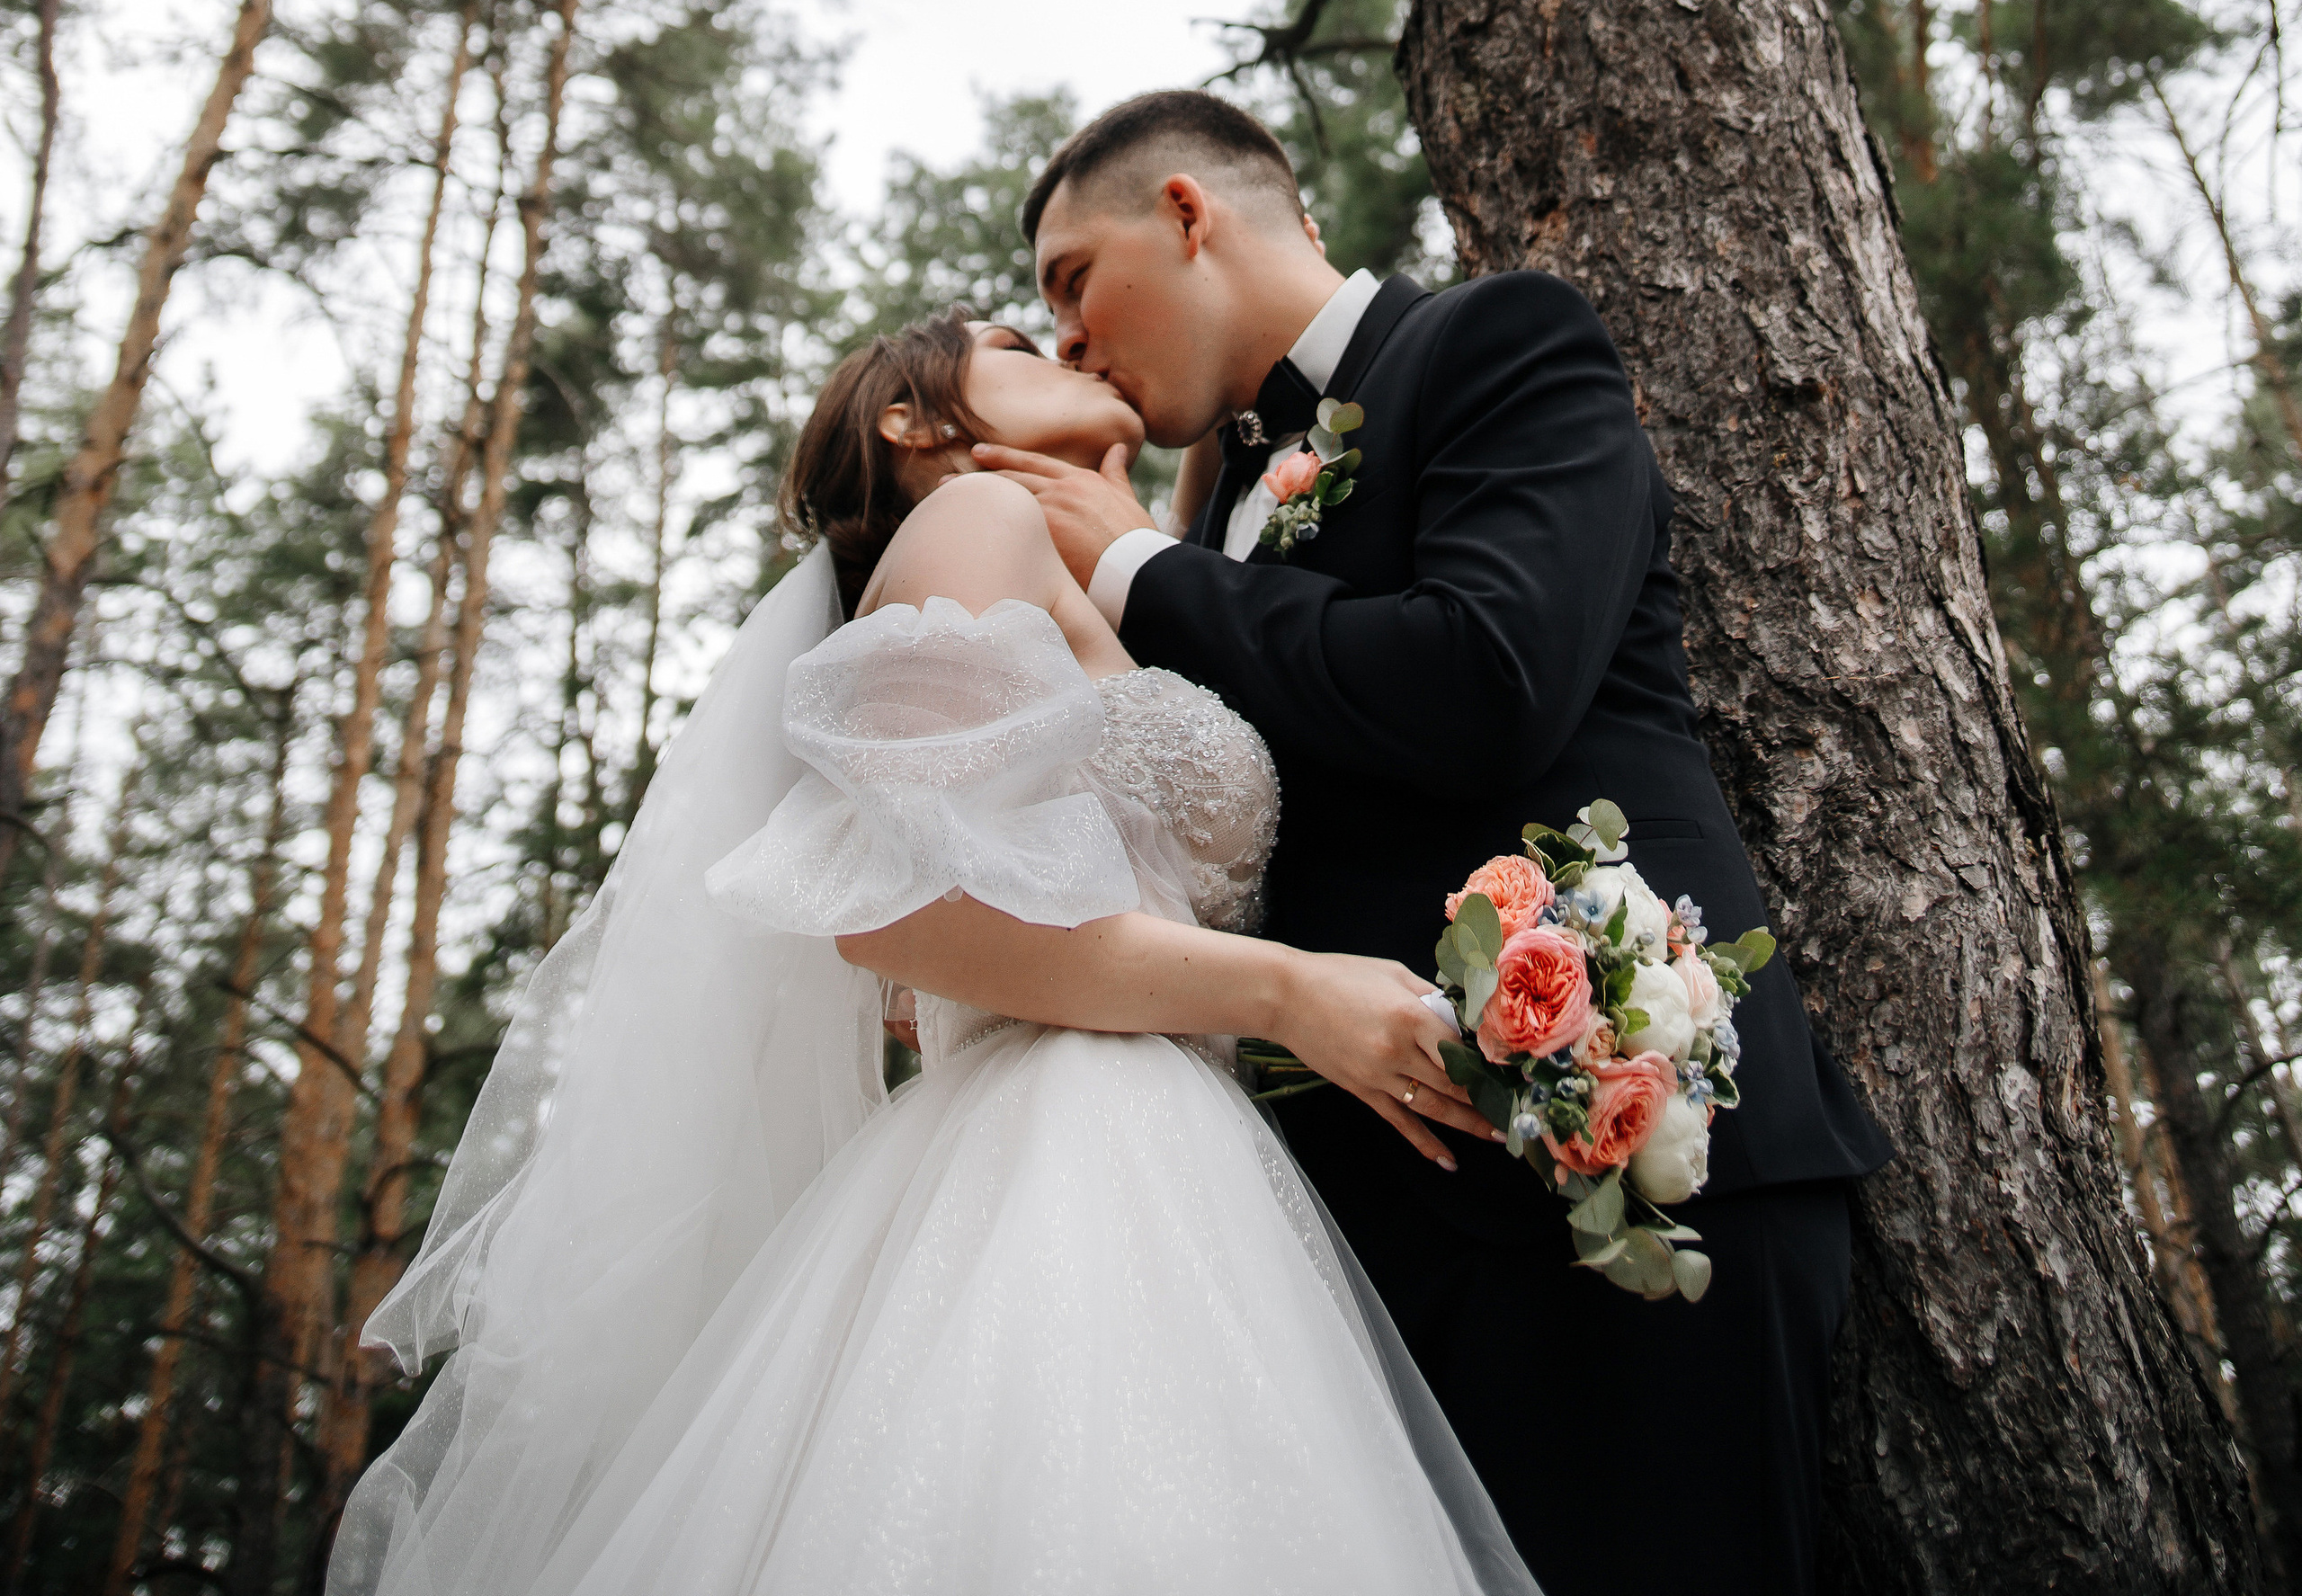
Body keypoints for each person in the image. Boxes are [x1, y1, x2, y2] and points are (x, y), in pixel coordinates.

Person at [327, 307, 1540, 1596]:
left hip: (1166, 1139)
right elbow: (900, 914)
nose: (1068, 351)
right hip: (1072, 1146)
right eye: (1021, 346)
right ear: (913, 421)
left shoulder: (1065, 572)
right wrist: (1288, 992)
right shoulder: (976, 521)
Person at [977, 89, 1894, 1596]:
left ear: (1190, 214)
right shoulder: (1208, 527)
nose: (1065, 339)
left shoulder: (1495, 346)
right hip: (1362, 1240)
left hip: (1632, 1180)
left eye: (1074, 280)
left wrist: (1131, 565)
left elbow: (1489, 678)